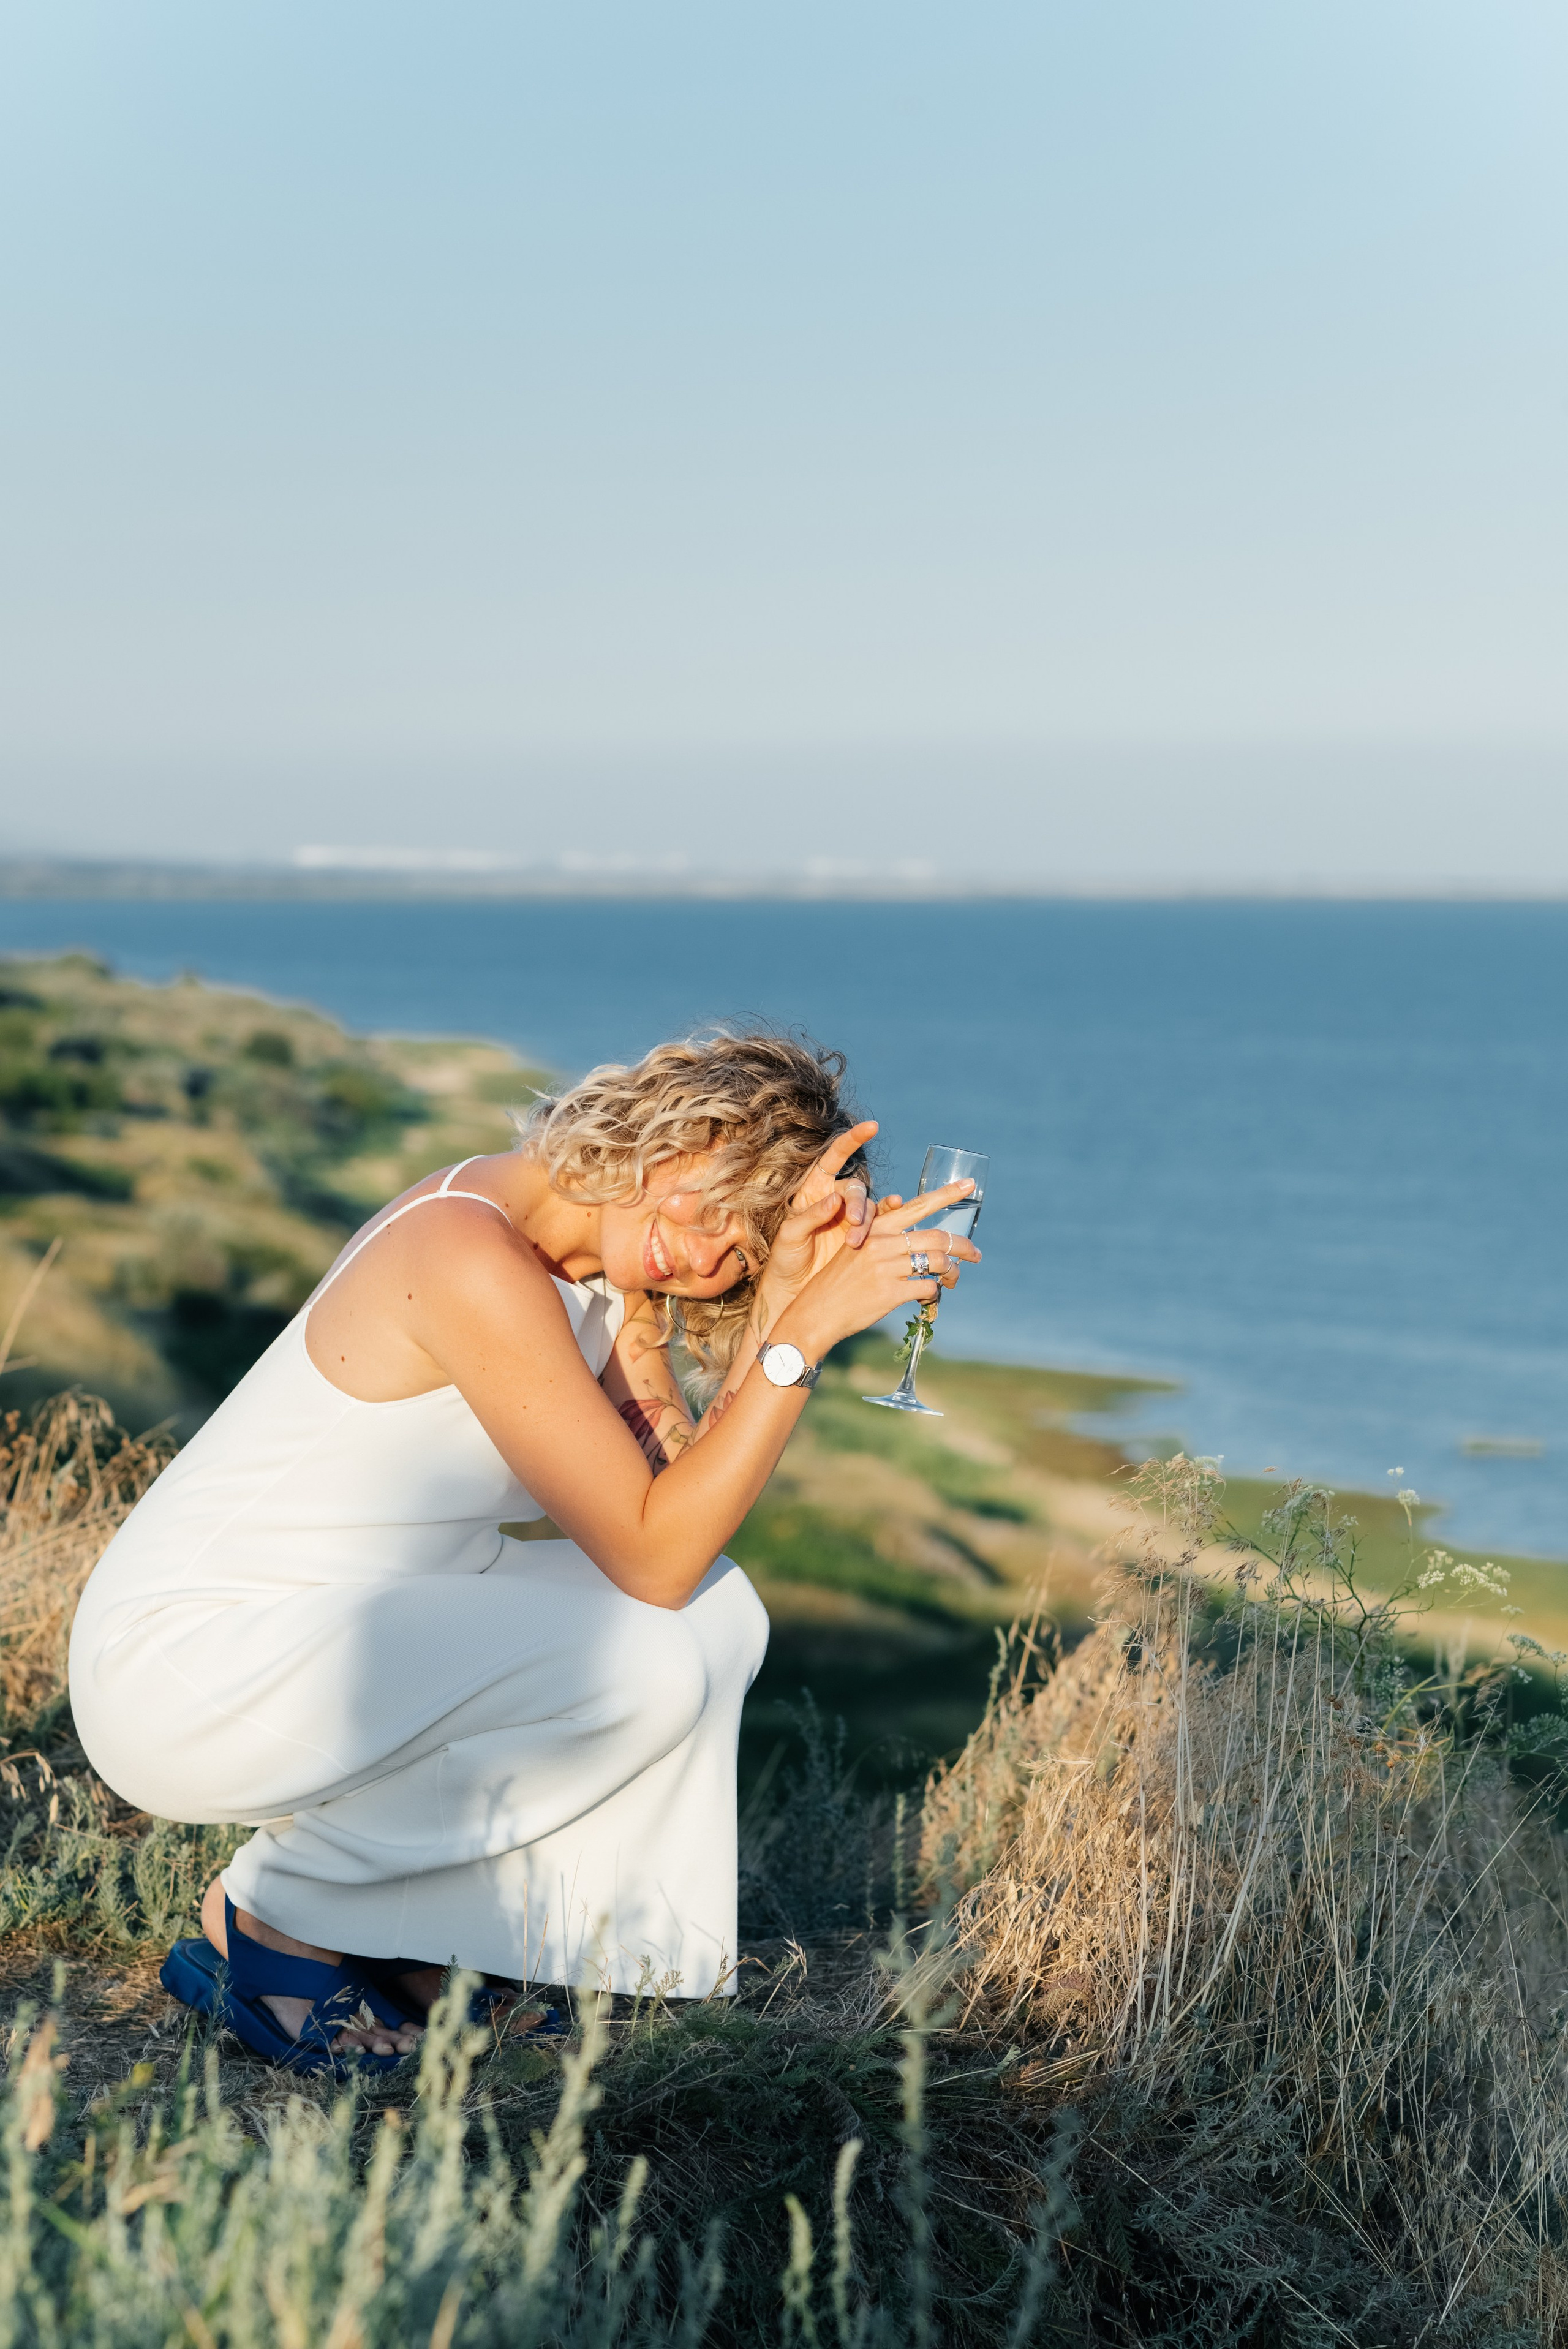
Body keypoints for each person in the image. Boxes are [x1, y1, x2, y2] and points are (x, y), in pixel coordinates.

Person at [67, 1030, 978, 2073]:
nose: (709, 1254)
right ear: (673, 1140)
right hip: (190, 1666)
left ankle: (423, 1940)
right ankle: (276, 1915)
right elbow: (653, 1557)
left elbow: (685, 1508)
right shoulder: (469, 1252)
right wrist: (799, 1340)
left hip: (332, 1637)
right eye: (715, 1208)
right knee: (644, 1644)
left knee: (717, 1617)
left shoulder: (605, 1278)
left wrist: (781, 1313)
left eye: (746, 1248)